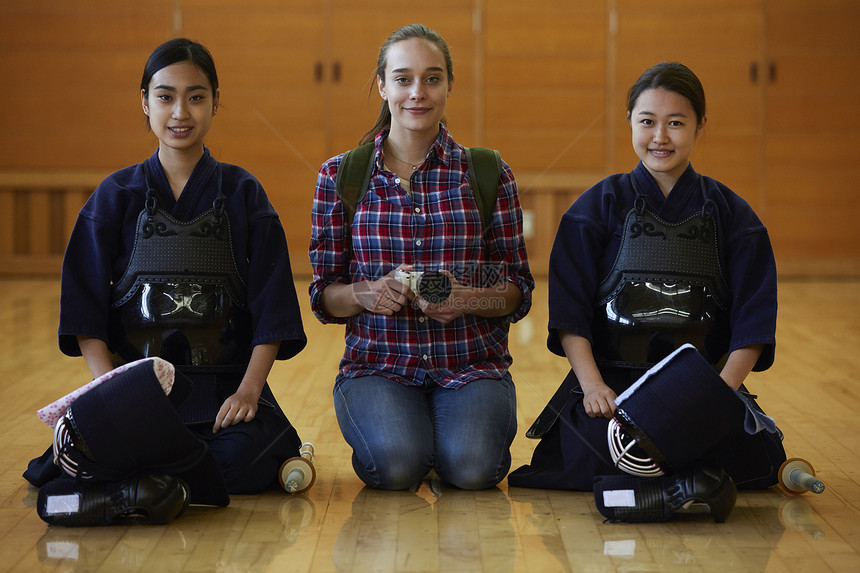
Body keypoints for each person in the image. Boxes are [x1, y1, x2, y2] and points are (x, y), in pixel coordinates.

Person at [26, 38, 307, 506]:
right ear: (144, 102)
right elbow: (84, 315)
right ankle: (167, 475)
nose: (181, 111)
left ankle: (140, 480)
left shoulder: (244, 193)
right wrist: (116, 394)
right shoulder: (114, 195)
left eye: (196, 97)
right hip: (136, 389)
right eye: (166, 96)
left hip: (223, 388)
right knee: (87, 450)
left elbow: (273, 306)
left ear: (216, 101)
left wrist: (249, 391)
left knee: (241, 456)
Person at [509, 62, 786, 494]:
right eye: (648, 122)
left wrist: (718, 394)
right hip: (613, 385)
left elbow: (754, 319)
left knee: (758, 458)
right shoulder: (593, 208)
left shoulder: (734, 216)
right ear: (630, 123)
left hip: (703, 383)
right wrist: (592, 386)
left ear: (700, 125)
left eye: (676, 123)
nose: (660, 137)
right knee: (605, 451)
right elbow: (570, 313)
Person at [309, 24, 534, 491]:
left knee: (473, 471)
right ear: (382, 85)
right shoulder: (340, 175)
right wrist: (364, 293)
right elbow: (323, 296)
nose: (418, 92)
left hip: (471, 365)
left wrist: (467, 298)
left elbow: (516, 292)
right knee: (395, 467)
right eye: (403, 78)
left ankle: (443, 445)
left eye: (432, 79)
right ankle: (423, 445)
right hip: (379, 367)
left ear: (450, 84)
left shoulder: (488, 172)